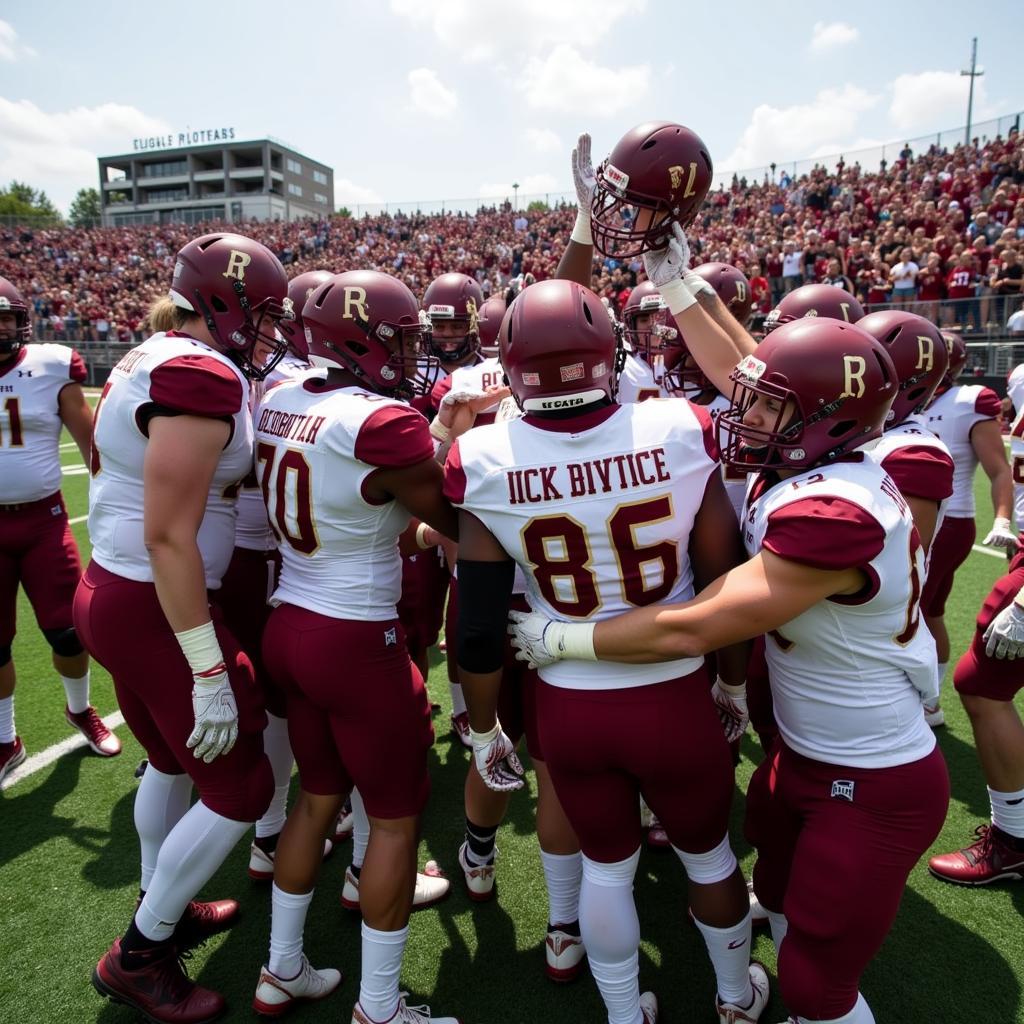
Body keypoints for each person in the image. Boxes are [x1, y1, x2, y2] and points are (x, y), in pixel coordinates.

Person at [509, 316, 950, 1024]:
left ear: (828, 422)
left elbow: (697, 624)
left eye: (769, 406)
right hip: (804, 755)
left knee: (815, 979)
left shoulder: (839, 512)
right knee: (770, 889)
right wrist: (681, 282)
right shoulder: (815, 465)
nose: (743, 414)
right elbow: (751, 369)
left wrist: (566, 641)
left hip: (872, 778)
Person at [449, 278, 768, 1024]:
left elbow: (478, 623)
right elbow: (723, 575)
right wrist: (732, 685)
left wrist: (488, 730)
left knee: (605, 868)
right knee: (710, 858)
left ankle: (625, 1013)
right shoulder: (682, 427)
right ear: (608, 354)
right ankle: (732, 997)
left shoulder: (482, 454)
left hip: (570, 704)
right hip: (674, 691)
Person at [77, 233, 293, 1023]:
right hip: (152, 601)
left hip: (112, 587)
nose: (273, 331)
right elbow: (169, 535)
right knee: (241, 785)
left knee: (169, 761)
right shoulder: (199, 374)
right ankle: (141, 951)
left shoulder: (152, 353)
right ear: (228, 303)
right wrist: (207, 667)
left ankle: (163, 895)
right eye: (265, 313)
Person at [252, 270, 460, 1024]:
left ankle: (280, 969)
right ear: (361, 340)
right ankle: (379, 1006)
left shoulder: (281, 398)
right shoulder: (380, 423)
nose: (412, 353)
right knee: (398, 820)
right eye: (400, 338)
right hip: (357, 638)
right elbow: (454, 523)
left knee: (314, 798)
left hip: (291, 621)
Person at [0, 275, 120, 782]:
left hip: (43, 519)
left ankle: (79, 709)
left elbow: (93, 443)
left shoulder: (50, 364)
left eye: (7, 316)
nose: (3, 326)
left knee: (70, 633)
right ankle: (6, 740)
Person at [923, 331, 1014, 723]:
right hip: (926, 520)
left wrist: (1002, 517)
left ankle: (923, 701)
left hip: (948, 521)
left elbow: (998, 469)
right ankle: (929, 703)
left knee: (911, 613)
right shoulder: (911, 401)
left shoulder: (966, 401)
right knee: (931, 612)